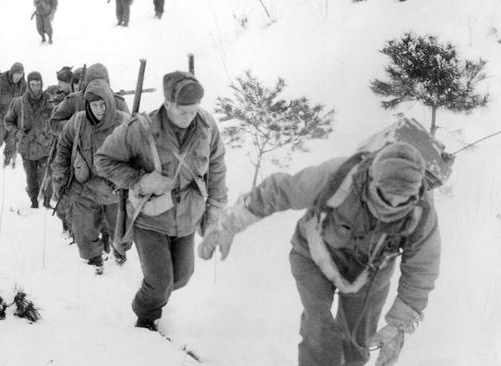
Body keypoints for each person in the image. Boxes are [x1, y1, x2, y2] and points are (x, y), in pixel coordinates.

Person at [198, 142, 440, 366]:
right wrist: (229, 224)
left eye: (404, 198)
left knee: (357, 344)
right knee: (320, 331)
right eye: (387, 194)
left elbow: (422, 268)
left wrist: (399, 326)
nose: (395, 204)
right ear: (372, 179)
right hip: (313, 256)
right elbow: (282, 191)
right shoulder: (340, 175)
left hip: (369, 274)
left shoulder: (421, 213)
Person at [95, 71, 227, 330]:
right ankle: (145, 319)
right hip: (150, 216)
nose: (189, 118)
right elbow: (104, 160)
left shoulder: (207, 125)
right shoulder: (140, 129)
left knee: (182, 277)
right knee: (160, 281)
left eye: (193, 111)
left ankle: (156, 292)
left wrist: (216, 209)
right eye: (182, 112)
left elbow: (217, 165)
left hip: (188, 215)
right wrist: (141, 181)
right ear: (167, 104)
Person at [51, 79, 130, 274]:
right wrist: (60, 173)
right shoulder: (78, 121)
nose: (99, 109)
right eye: (94, 105)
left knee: (121, 234)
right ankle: (95, 264)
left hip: (115, 191)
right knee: (84, 232)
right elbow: (63, 146)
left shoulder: (124, 122)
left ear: (110, 103)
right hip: (84, 186)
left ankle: (120, 258)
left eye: (103, 104)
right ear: (88, 105)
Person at [4, 71, 54, 209]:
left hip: (45, 146)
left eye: (38, 84)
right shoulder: (19, 102)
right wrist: (16, 131)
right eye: (33, 84)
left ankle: (47, 201)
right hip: (27, 147)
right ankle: (34, 201)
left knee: (47, 176)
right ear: (29, 85)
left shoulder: (50, 101)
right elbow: (8, 121)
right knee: (31, 178)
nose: (36, 88)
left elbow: (57, 121)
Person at [0, 62, 27, 164]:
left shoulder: (23, 85)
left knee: (12, 141)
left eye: (20, 75)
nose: (18, 78)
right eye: (16, 75)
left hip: (13, 120)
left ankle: (7, 160)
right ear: (11, 73)